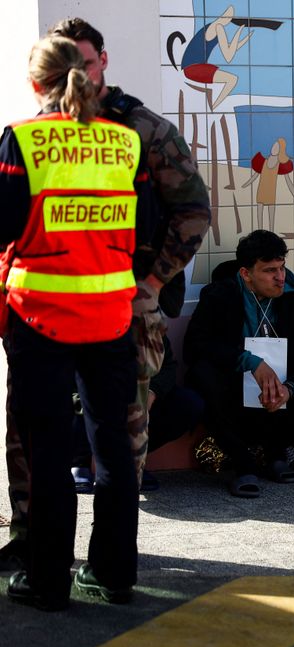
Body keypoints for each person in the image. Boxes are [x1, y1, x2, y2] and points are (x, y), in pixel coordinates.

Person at [0, 17, 211, 571]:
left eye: (87, 63)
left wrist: (153, 282)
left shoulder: (141, 130)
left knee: (114, 439)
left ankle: (79, 564)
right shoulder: (108, 141)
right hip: (84, 308)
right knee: (36, 438)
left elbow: (192, 211)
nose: (83, 76)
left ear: (103, 62)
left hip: (115, 308)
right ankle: (37, 542)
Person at [0, 37, 147, 610]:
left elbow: (5, 223)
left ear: (37, 84)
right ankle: (112, 576)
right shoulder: (126, 142)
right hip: (111, 317)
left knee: (47, 450)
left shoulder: (25, 140)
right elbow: (147, 224)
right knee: (112, 449)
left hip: (40, 319)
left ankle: (46, 580)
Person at [184, 230, 294, 498]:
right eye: (269, 270)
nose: (280, 277)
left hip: (281, 398)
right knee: (203, 376)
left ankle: (280, 450)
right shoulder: (219, 297)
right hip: (235, 396)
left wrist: (290, 388)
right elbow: (196, 346)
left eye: (282, 267)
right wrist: (250, 361)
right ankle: (244, 465)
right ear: (245, 274)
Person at [71, 334, 205, 493]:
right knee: (78, 400)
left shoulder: (146, 320)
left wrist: (151, 392)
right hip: (96, 394)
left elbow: (167, 365)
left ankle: (132, 461)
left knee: (188, 403)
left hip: (137, 396)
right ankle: (79, 463)